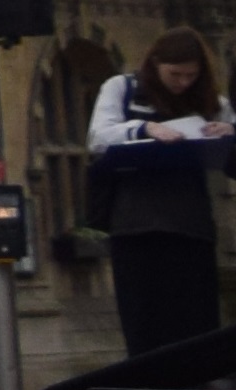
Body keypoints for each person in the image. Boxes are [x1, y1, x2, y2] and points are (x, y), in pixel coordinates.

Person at [89, 33, 234, 361]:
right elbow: (97, 137)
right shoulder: (122, 89)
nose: (183, 83)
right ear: (156, 65)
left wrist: (229, 133)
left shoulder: (214, 103)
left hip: (190, 227)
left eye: (191, 76)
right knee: (145, 329)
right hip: (136, 227)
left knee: (196, 331)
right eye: (175, 74)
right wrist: (144, 129)